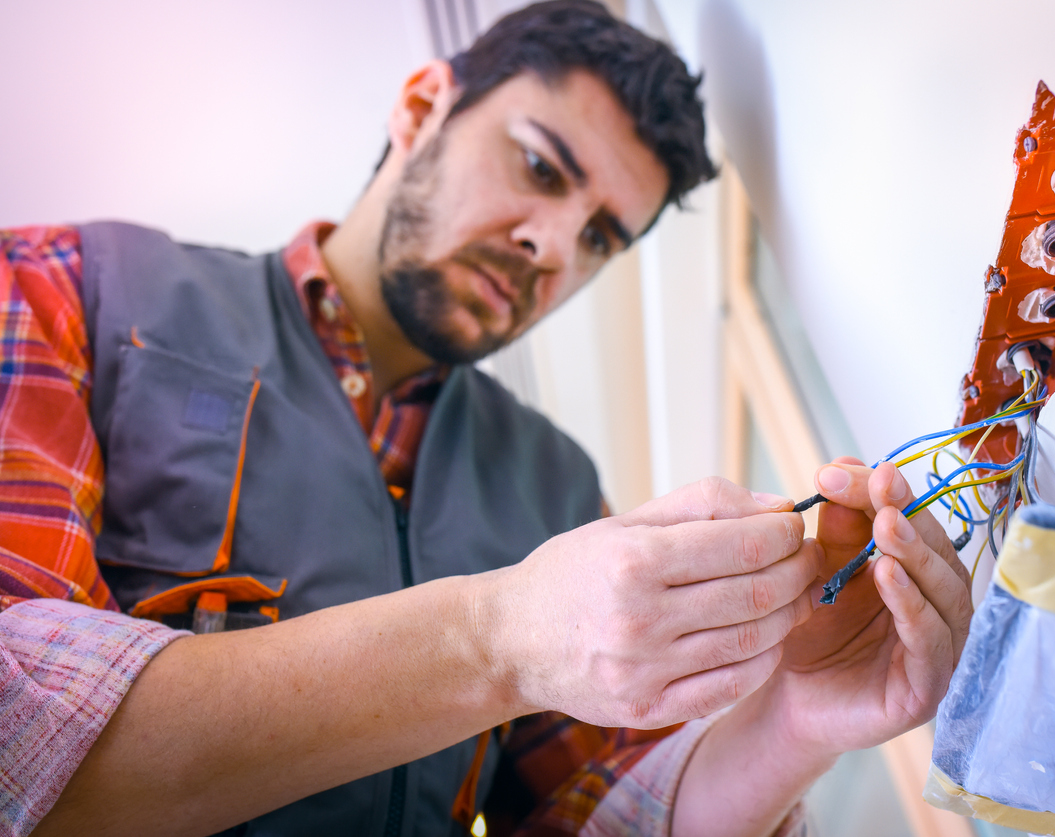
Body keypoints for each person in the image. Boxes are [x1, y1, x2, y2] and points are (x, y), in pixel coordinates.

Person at [0, 2, 972, 835]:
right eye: (541, 168)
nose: (551, 246)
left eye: (599, 237)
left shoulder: (556, 485)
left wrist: (794, 722)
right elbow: (18, 738)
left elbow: (599, 816)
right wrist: (501, 637)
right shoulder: (69, 290)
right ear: (423, 107)